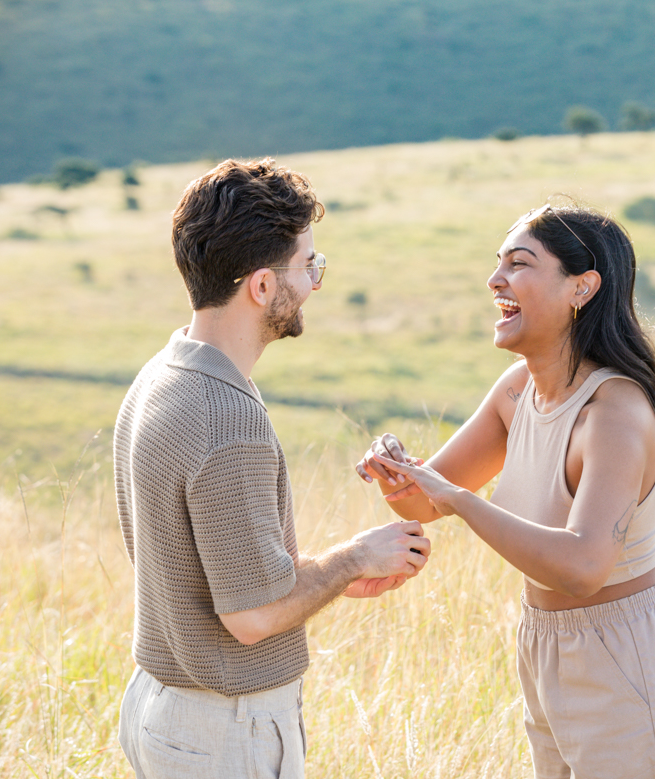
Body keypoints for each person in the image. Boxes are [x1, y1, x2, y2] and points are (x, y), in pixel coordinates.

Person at [356, 203, 655, 778]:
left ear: (582, 287)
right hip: (545, 648)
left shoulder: (614, 414)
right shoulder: (518, 390)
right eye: (497, 264)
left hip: (629, 662)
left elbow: (582, 567)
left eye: (519, 264)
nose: (495, 280)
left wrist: (462, 500)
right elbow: (425, 502)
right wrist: (396, 473)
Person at [114, 158, 430, 779]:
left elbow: (212, 570)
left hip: (161, 706)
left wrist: (324, 579)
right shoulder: (227, 420)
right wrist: (354, 559)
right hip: (223, 732)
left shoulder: (163, 374)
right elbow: (251, 617)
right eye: (308, 266)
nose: (315, 281)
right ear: (262, 286)